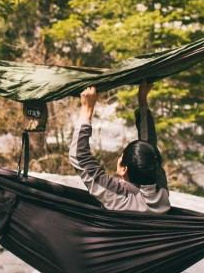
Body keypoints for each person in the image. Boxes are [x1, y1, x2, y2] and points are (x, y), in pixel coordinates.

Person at [69, 81, 170, 213]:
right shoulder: (161, 196)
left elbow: (79, 157)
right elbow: (149, 146)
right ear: (155, 166)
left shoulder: (118, 196)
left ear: (123, 169)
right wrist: (142, 101)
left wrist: (87, 109)